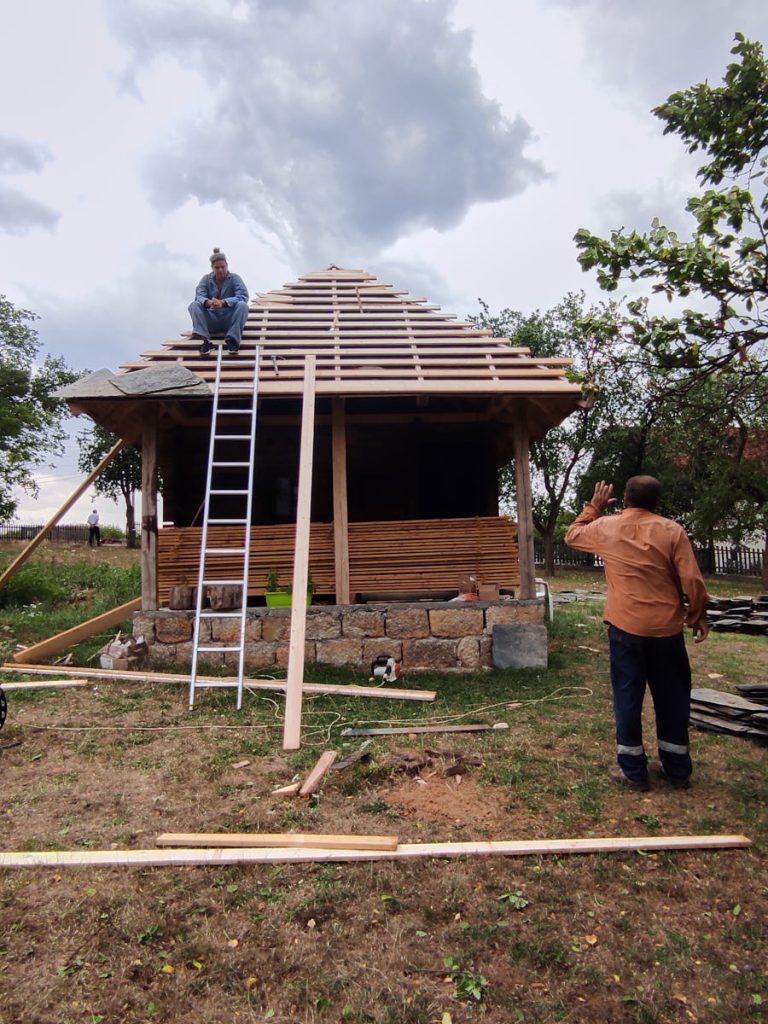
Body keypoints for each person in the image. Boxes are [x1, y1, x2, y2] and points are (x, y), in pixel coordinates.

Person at [564, 476, 710, 791]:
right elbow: (693, 581)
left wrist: (595, 506)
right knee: (672, 697)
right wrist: (697, 615)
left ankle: (632, 771)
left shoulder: (607, 527)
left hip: (625, 628)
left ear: (626, 499)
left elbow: (572, 536)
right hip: (666, 630)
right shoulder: (672, 531)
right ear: (656, 502)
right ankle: (677, 769)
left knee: (628, 697)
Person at [188, 247, 249, 356]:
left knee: (243, 305)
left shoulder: (235, 278)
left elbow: (243, 295)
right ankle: (205, 341)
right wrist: (207, 302)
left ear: (227, 266)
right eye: (217, 267)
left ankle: (233, 340)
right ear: (212, 268)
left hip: (229, 319)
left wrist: (224, 302)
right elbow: (199, 295)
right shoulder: (206, 279)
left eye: (222, 267)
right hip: (212, 319)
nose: (220, 270)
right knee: (194, 305)